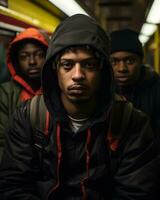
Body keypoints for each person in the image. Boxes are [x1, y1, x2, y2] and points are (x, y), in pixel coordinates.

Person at [0, 14, 159, 200]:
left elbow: (136, 192)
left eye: (89, 65)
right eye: (67, 65)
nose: (77, 75)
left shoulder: (131, 121)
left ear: (102, 71)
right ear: (54, 69)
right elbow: (13, 185)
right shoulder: (29, 117)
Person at [0, 27, 49, 160]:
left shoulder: (58, 91)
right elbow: (2, 141)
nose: (32, 62)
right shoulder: (5, 94)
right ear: (16, 61)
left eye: (39, 55)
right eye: (24, 56)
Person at [110, 29, 160, 132]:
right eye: (114, 61)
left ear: (141, 61)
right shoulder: (100, 90)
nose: (122, 68)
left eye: (130, 61)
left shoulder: (156, 89)